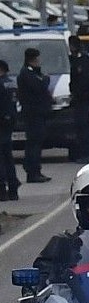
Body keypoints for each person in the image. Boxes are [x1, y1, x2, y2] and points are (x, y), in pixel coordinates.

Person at [16, 48, 52, 184]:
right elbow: (39, 86)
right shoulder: (27, 74)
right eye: (37, 59)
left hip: (38, 114)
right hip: (33, 114)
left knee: (37, 142)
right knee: (34, 143)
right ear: (33, 59)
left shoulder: (33, 73)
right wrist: (46, 79)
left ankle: (36, 169)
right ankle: (32, 171)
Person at [67, 36, 89, 164]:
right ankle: (81, 152)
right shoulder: (73, 59)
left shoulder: (84, 60)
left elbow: (86, 81)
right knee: (79, 126)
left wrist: (79, 94)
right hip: (78, 99)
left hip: (83, 98)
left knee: (84, 125)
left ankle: (87, 153)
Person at [0, 60, 18, 200]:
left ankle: (2, 189)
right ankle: (13, 188)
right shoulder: (11, 82)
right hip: (9, 122)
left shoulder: (0, 84)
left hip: (1, 122)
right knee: (8, 157)